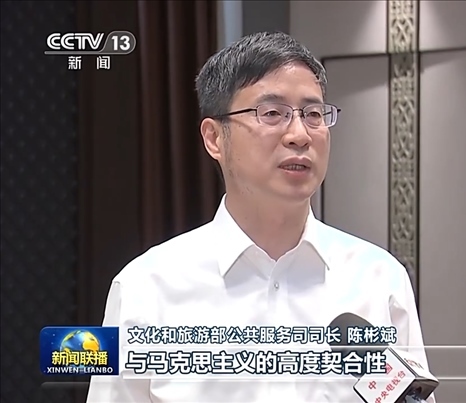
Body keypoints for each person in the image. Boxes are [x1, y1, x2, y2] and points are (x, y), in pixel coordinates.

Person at [86, 31, 434, 402]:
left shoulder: (379, 280)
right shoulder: (146, 287)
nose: (299, 135)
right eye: (272, 114)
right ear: (214, 138)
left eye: (313, 114)